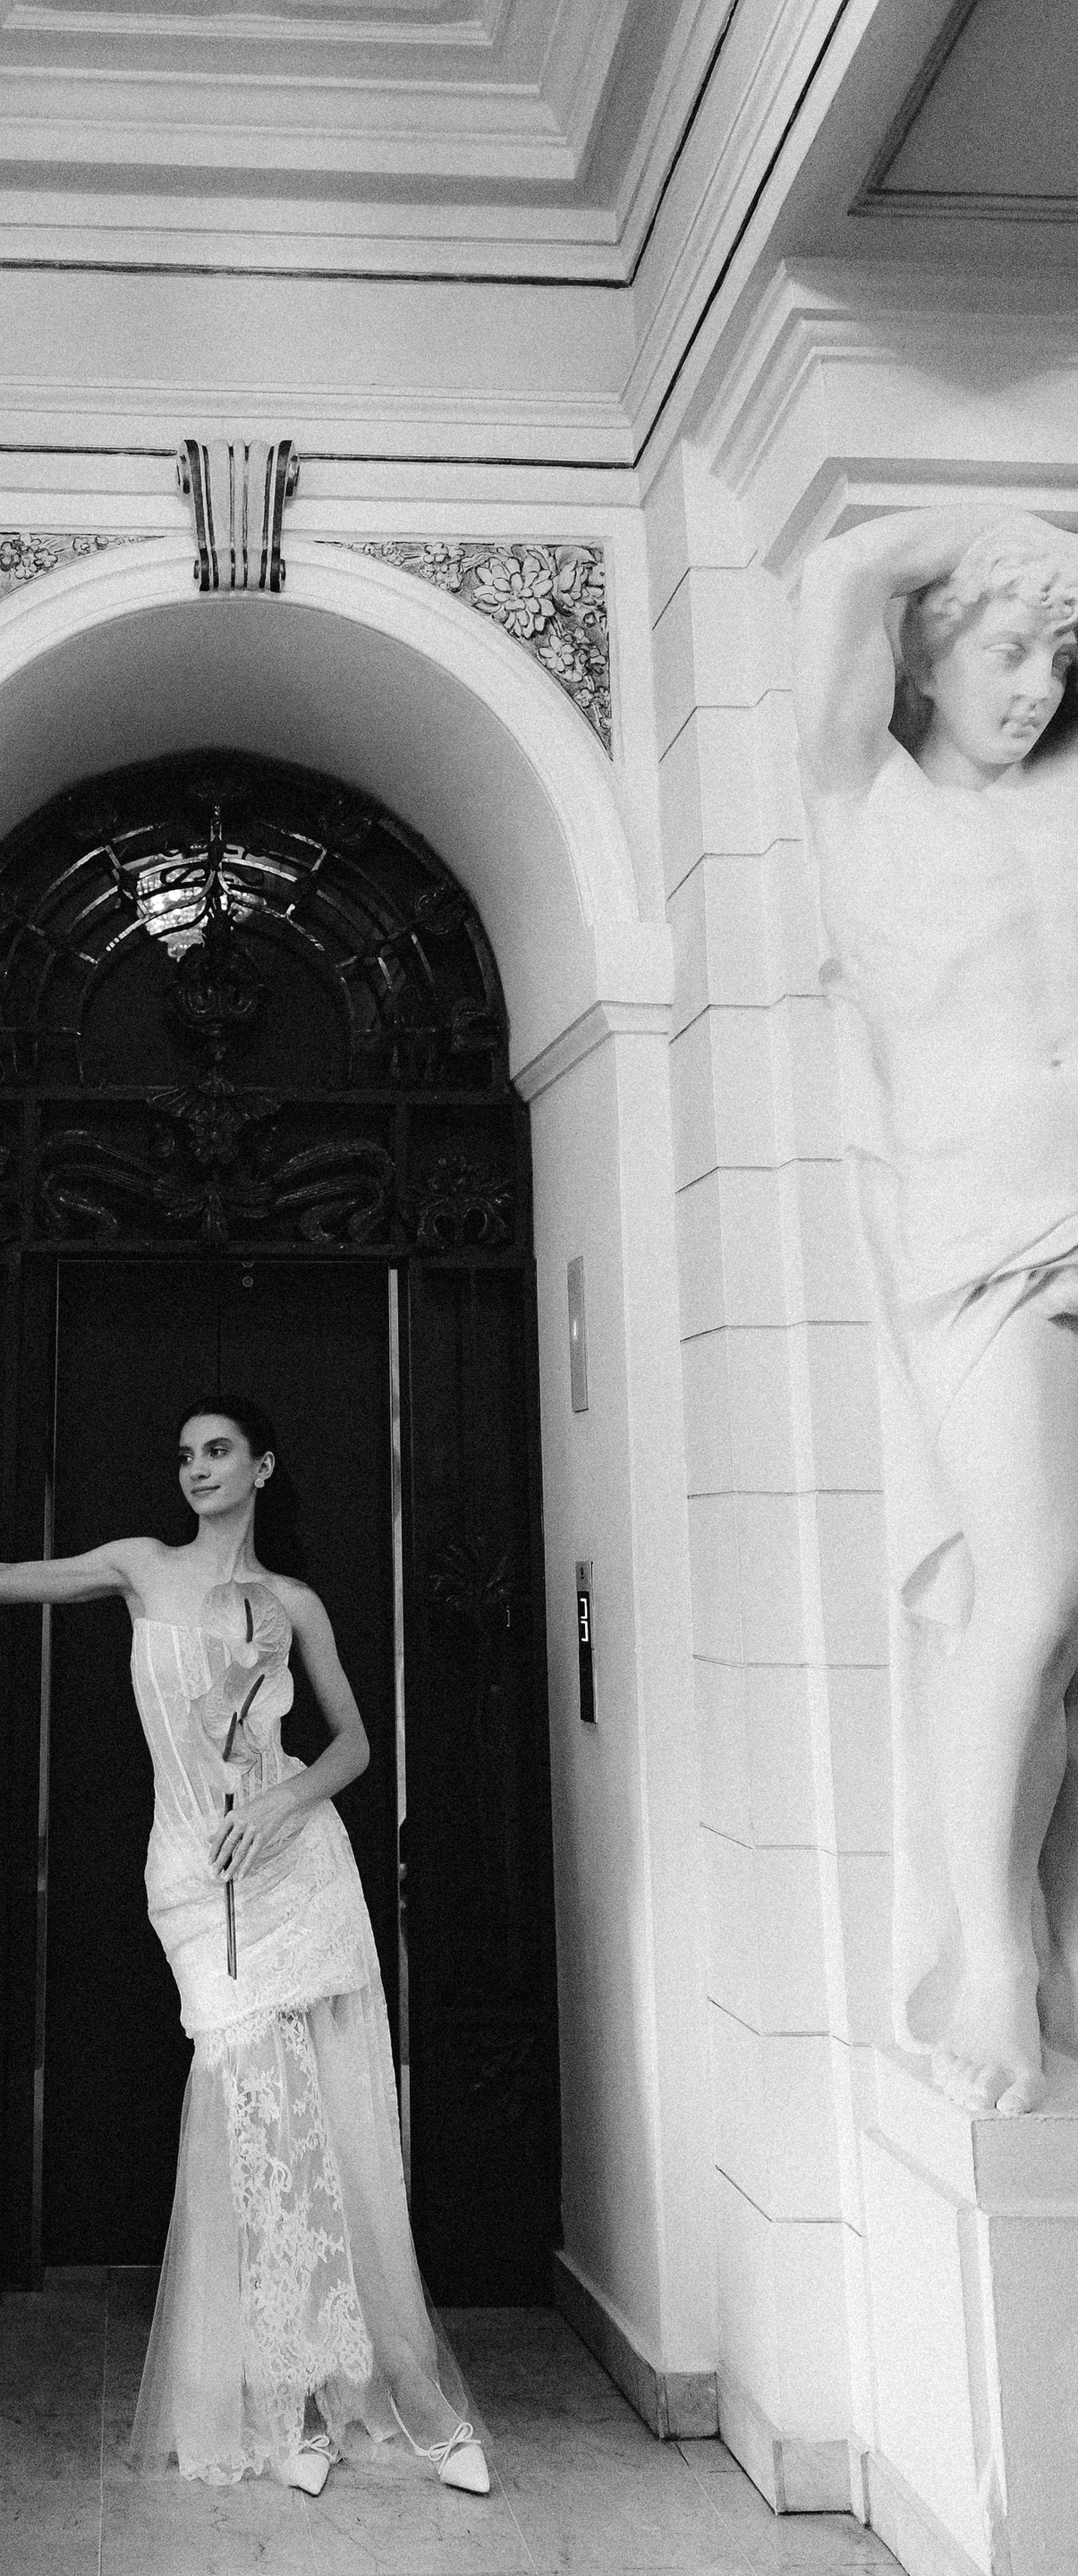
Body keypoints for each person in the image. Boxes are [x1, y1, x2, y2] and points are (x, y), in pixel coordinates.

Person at [0, 1396, 488, 2496]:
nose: (197, 1469)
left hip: (295, 1870)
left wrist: (283, 1802)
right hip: (189, 1877)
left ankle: (343, 2395)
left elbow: (356, 1745)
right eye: (184, 1455)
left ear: (262, 1468)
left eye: (219, 1452)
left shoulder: (293, 1603)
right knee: (253, 2121)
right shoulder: (140, 1565)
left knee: (322, 2122)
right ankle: (283, 2398)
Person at [794, 507, 1078, 2116]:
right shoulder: (866, 797)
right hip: (986, 1241)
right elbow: (843, 575)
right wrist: (991, 532)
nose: (1037, 688)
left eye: (1060, 660)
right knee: (1025, 1597)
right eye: (1009, 651)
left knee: (1061, 1629)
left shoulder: (1063, 803)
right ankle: (991, 1955)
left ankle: (1026, 1920)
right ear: (926, 657)